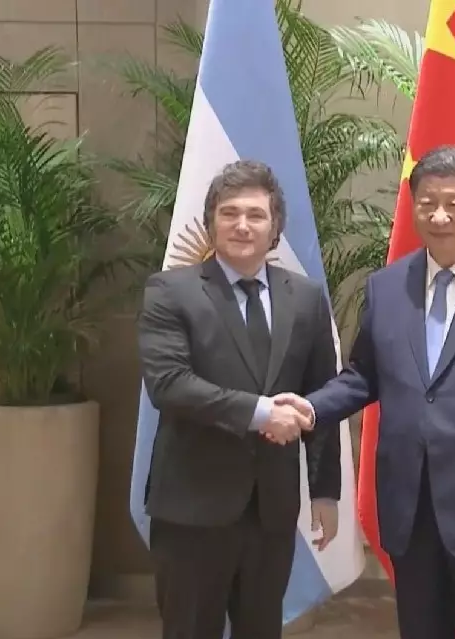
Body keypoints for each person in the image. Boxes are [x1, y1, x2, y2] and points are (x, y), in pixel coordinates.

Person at [276, 145, 455, 639]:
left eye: (454, 204)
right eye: (427, 203)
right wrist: (310, 407)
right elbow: (363, 375)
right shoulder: (387, 287)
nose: (439, 216)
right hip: (409, 502)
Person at [137, 159, 341, 639]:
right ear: (211, 222)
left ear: (275, 228)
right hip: (192, 508)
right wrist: (262, 413)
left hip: (270, 510)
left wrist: (325, 490)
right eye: (229, 213)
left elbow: (322, 398)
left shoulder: (306, 298)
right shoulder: (170, 292)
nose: (242, 225)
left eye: (255, 215)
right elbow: (169, 383)